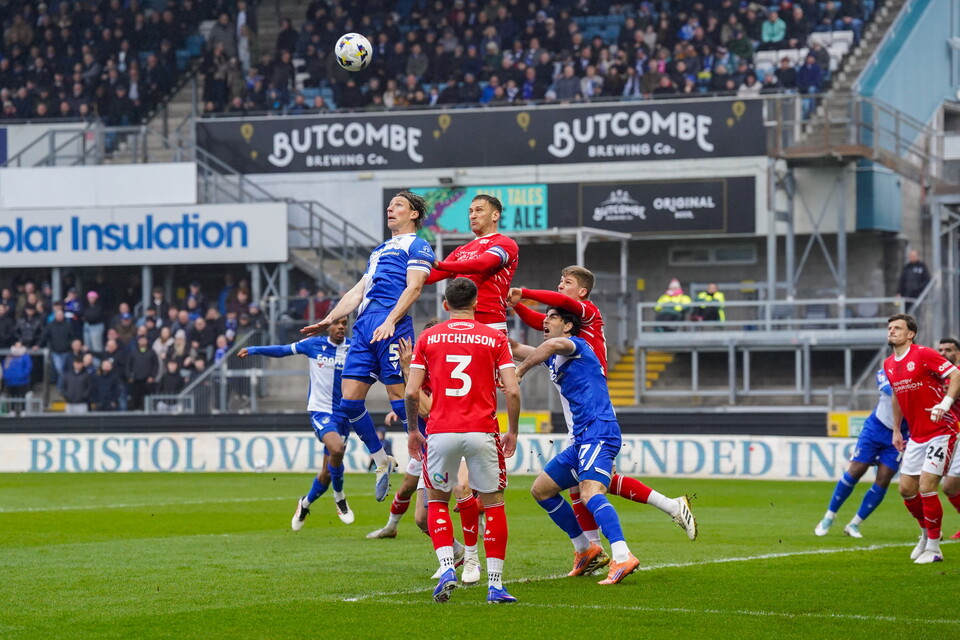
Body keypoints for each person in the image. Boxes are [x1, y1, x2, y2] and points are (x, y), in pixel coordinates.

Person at [508, 267, 698, 553]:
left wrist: (524, 294)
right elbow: (542, 324)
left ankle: (607, 548)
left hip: (594, 411)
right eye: (559, 281)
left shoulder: (588, 313)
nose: (560, 286)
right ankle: (596, 547)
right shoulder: (561, 333)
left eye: (566, 282)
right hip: (581, 415)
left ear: (582, 291)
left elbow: (557, 319)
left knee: (590, 486)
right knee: (586, 483)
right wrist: (513, 307)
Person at [301, 191, 435, 502]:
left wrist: (391, 320)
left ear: (414, 214)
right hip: (363, 327)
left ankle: (431, 451)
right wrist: (329, 318)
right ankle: (381, 459)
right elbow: (357, 292)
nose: (391, 208)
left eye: (398, 205)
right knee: (349, 403)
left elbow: (415, 287)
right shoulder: (379, 250)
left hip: (392, 324)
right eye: (389, 205)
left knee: (400, 397)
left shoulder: (418, 245)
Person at [404, 277, 520, 603]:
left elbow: (411, 392)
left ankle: (447, 568)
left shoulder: (428, 337)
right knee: (494, 505)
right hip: (482, 431)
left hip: (441, 432)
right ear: (476, 303)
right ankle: (495, 585)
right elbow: (512, 390)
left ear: (445, 304)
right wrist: (512, 431)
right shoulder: (495, 337)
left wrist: (413, 430)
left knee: (438, 502)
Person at [514, 306, 640, 585]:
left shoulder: (576, 345)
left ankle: (622, 556)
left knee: (589, 492)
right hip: (582, 438)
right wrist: (489, 318)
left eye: (552, 317)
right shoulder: (553, 357)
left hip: (599, 430)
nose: (545, 320)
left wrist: (520, 370)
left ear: (568, 326)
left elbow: (552, 346)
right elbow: (514, 347)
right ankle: (586, 549)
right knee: (541, 490)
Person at [240, 317, 355, 527]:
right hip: (321, 411)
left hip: (344, 415)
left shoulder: (354, 347)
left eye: (344, 323)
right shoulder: (313, 344)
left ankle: (304, 503)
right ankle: (340, 498)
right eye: (336, 323)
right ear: (327, 325)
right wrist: (254, 349)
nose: (341, 327)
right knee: (337, 449)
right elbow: (283, 350)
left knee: (327, 474)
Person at [885, 314, 960, 564]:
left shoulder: (924, 354)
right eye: (890, 328)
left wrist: (945, 403)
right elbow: (896, 395)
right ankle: (926, 534)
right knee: (906, 490)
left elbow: (956, 375)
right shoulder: (888, 364)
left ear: (911, 334)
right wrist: (897, 429)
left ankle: (935, 549)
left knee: (927, 487)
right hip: (916, 435)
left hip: (941, 430)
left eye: (898, 328)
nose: (891, 331)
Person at [814, 366, 909, 538]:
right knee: (856, 470)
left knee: (884, 479)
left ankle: (854, 524)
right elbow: (892, 391)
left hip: (901, 434)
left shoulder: (920, 375)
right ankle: (829, 516)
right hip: (876, 428)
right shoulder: (887, 369)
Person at [931, 338, 960, 540]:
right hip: (947, 434)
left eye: (948, 350)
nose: (943, 353)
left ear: (957, 353)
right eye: (940, 350)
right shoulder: (937, 376)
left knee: (949, 486)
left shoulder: (956, 376)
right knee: (949, 487)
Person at [2, 341, 32, 416]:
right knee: (12, 396)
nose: (17, 347)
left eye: (19, 346)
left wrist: (22, 375)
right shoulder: (9, 356)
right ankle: (12, 410)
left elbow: (28, 367)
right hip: (10, 381)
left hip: (22, 381)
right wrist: (6, 376)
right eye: (16, 346)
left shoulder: (25, 356)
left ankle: (22, 410)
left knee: (22, 396)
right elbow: (4, 367)